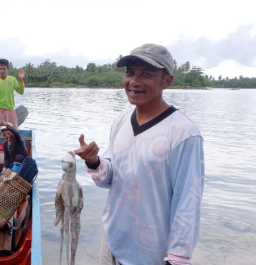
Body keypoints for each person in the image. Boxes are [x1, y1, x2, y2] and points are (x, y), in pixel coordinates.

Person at [74, 43, 205, 265]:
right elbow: (112, 178)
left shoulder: (183, 132)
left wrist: (178, 256)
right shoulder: (121, 121)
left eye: (146, 74)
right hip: (113, 241)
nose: (134, 82)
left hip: (152, 253)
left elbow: (188, 202)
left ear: (167, 81)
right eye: (130, 73)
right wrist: (95, 162)